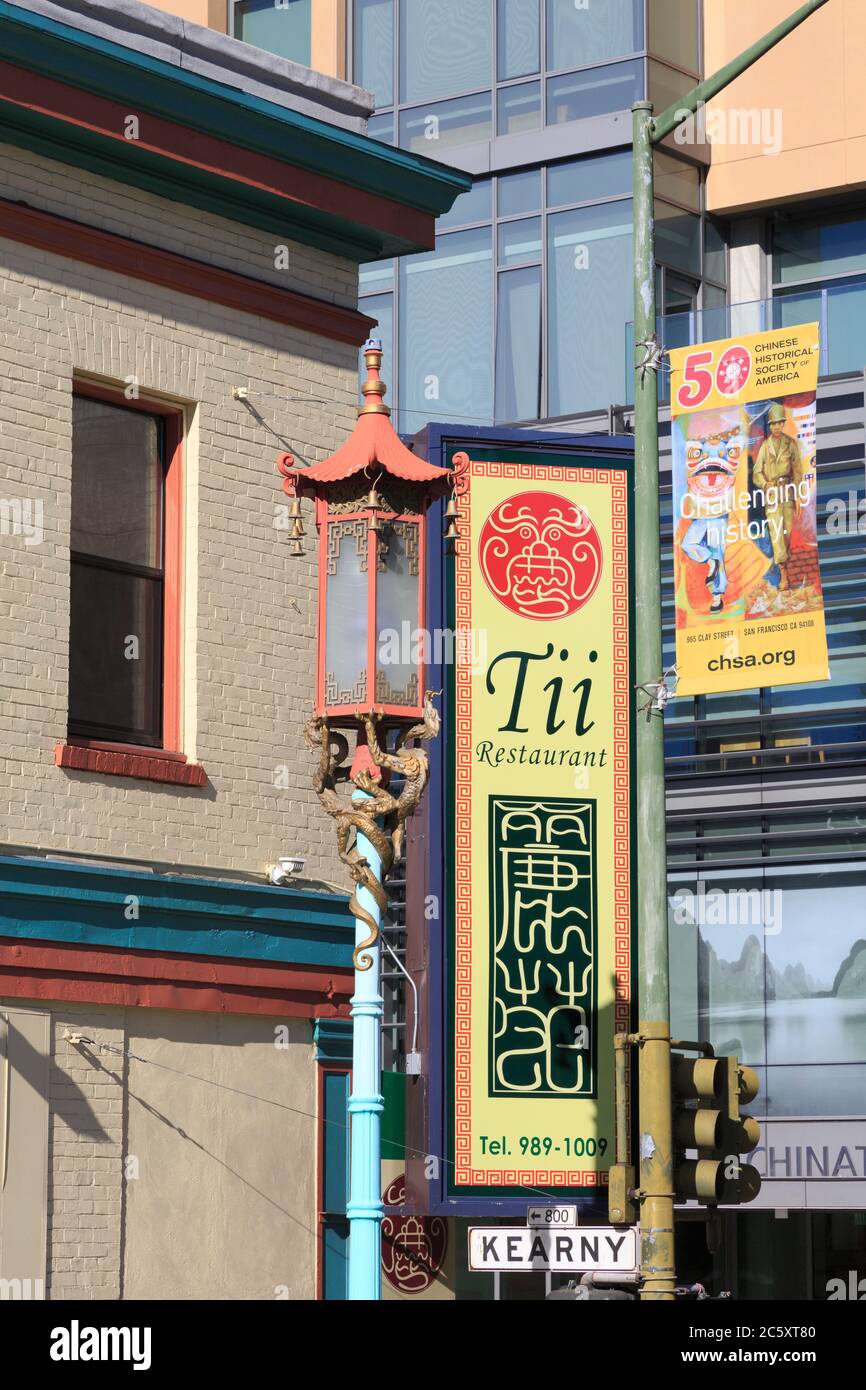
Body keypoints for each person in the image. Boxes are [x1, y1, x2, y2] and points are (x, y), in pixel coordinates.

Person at [752, 404, 806, 591]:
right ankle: (784, 575)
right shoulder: (765, 447)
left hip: (788, 492)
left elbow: (798, 471)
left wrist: (798, 495)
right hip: (773, 494)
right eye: (773, 424)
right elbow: (756, 472)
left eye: (779, 423)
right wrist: (765, 484)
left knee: (787, 533)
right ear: (770, 425)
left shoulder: (791, 444)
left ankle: (785, 566)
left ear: (783, 423)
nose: (776, 427)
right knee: (776, 536)